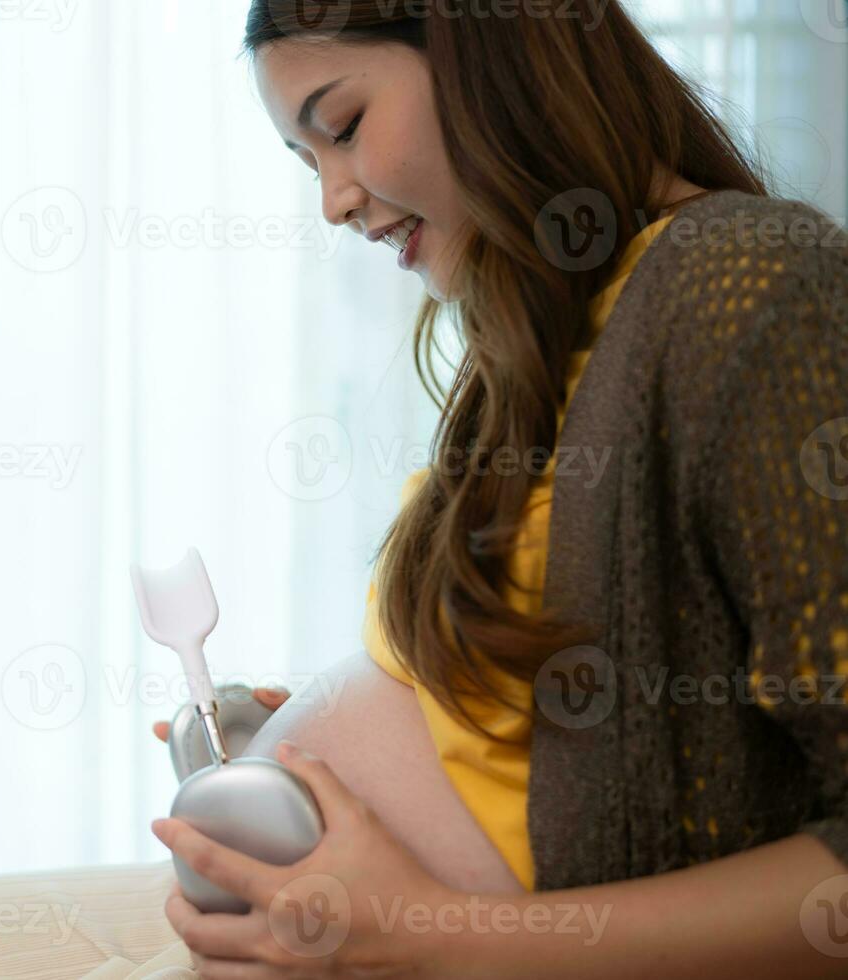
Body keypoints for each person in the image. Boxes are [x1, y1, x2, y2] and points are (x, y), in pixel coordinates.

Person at [147, 1, 848, 976]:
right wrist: (298, 744)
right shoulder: (532, 347)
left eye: (342, 128)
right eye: (308, 165)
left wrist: (430, 932)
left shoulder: (749, 284)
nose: (334, 202)